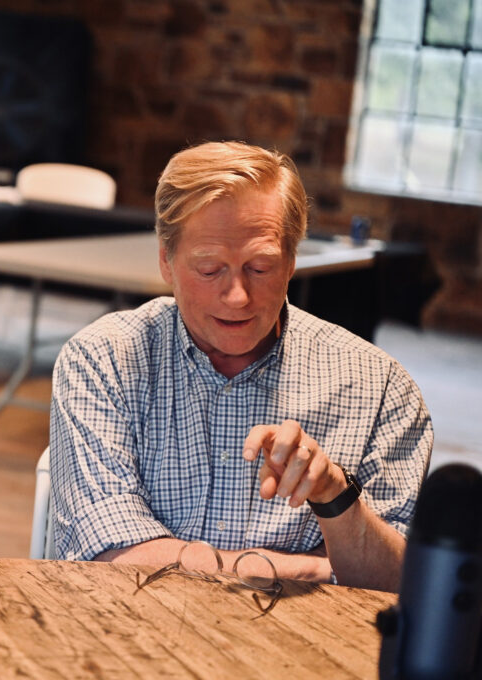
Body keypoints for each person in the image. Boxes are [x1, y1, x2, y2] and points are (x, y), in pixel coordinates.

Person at [49, 141, 432, 592]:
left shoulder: (380, 389)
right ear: (166, 261)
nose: (237, 297)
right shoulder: (103, 360)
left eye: (261, 267)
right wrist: (316, 570)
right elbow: (106, 558)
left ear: (291, 262)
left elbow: (401, 583)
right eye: (210, 269)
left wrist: (334, 494)